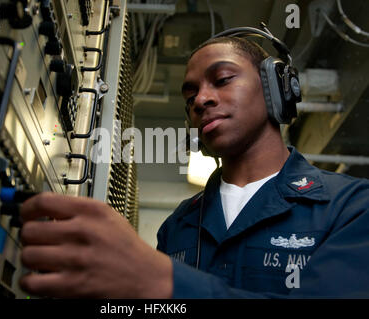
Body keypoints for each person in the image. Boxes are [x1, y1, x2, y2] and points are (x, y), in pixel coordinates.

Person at [19, 36, 369, 298]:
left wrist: (163, 280)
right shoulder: (179, 225)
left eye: (223, 79)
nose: (201, 100)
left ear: (275, 90)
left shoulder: (351, 207)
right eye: (190, 97)